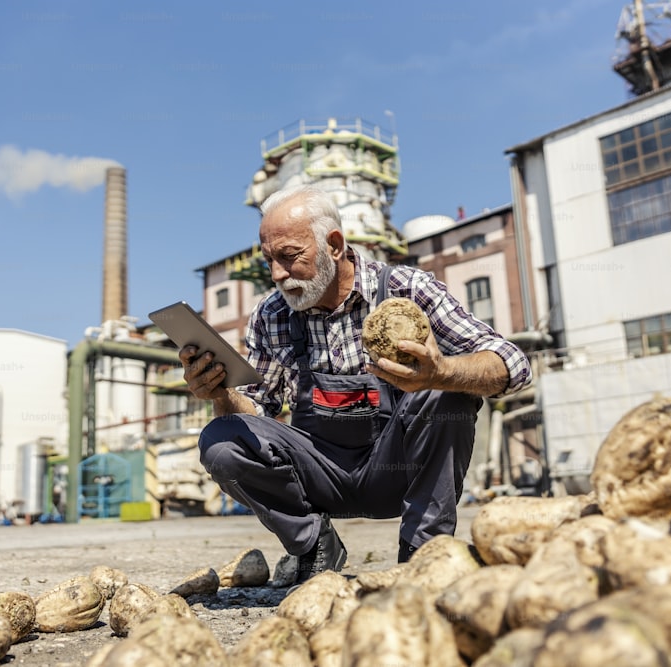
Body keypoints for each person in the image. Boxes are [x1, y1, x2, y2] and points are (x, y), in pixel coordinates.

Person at [179, 185, 531, 585]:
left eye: (289, 257)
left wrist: (441, 372)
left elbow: (514, 364)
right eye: (270, 261)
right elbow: (258, 412)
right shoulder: (271, 314)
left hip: (397, 471)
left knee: (445, 392)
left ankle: (422, 555)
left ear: (333, 245)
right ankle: (313, 544)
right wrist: (221, 394)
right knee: (222, 440)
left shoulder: (407, 289)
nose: (277, 274)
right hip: (323, 476)